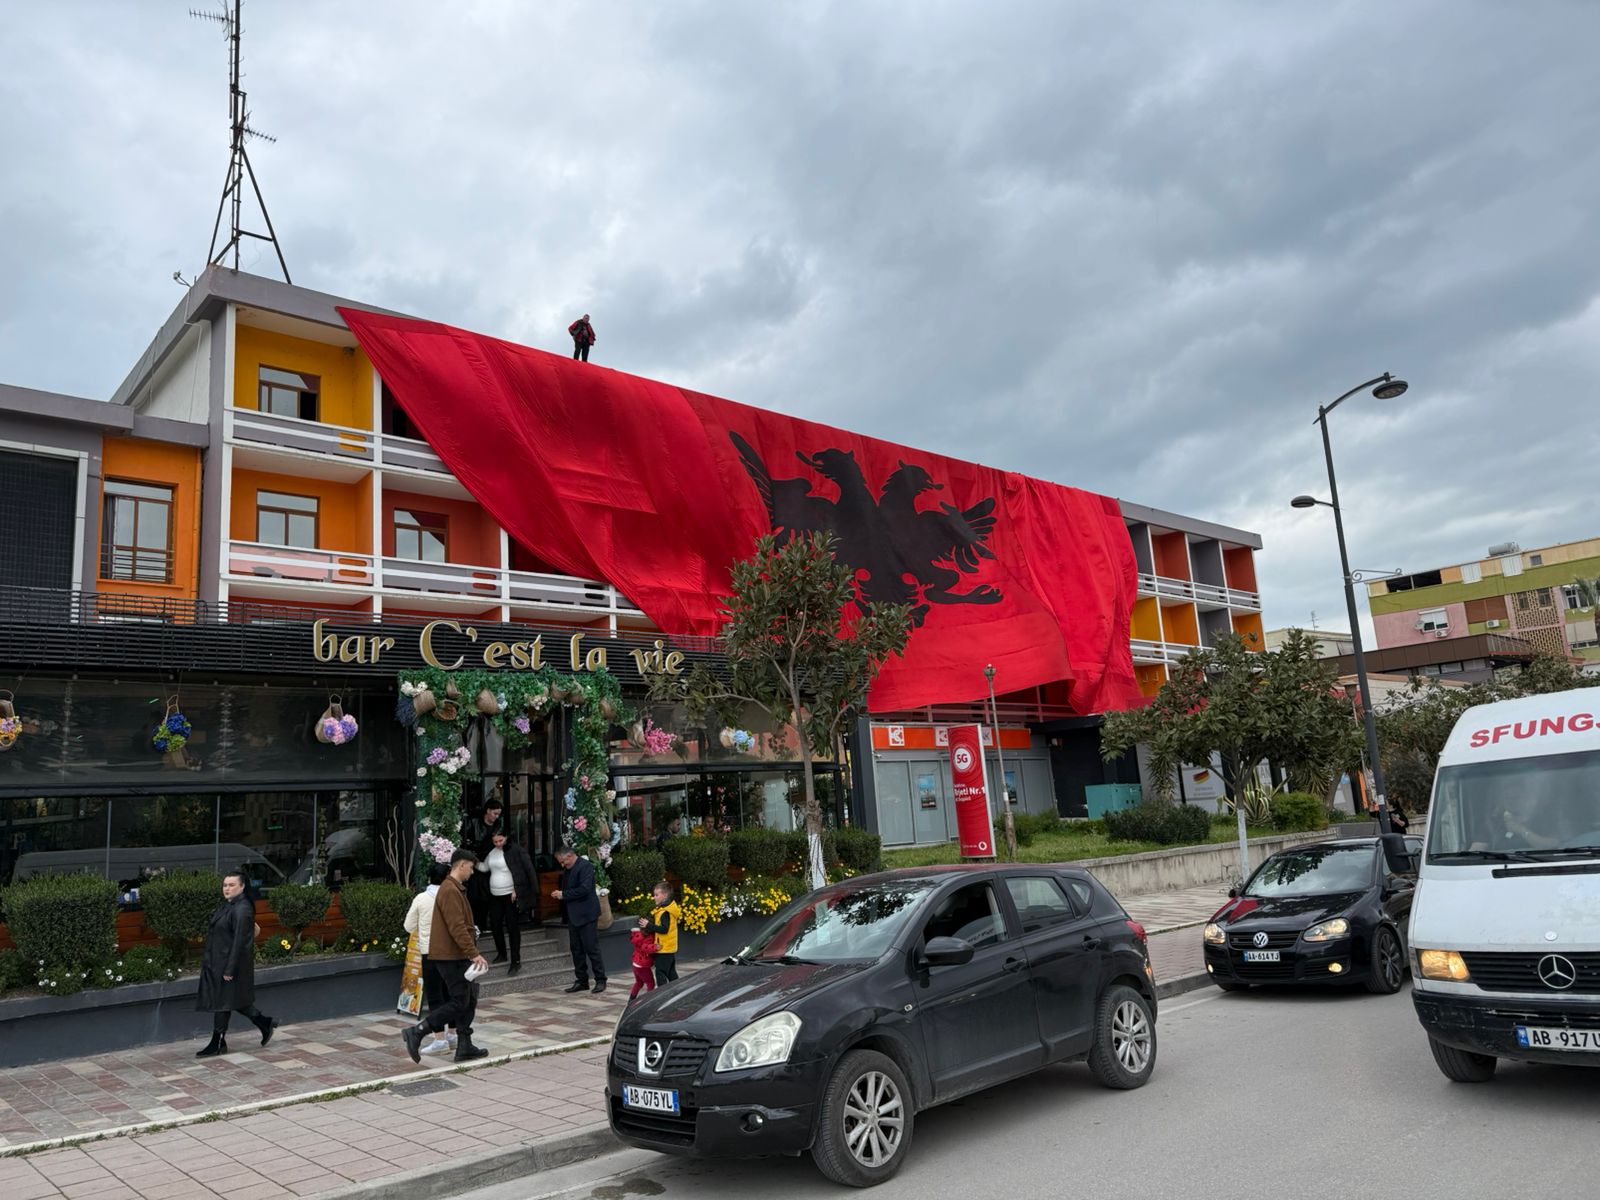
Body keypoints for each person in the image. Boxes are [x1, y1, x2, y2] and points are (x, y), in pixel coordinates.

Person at [402, 849, 489, 1063]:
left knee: (468, 1000)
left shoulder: (453, 888)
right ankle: (418, 1031)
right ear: (461, 865)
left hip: (453, 955)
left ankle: (464, 1045)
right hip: (451, 956)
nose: (471, 872)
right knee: (459, 1001)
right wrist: (474, 954)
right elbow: (456, 926)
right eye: (470, 867)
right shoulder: (449, 890)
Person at [194, 869, 276, 1058]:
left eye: (232, 885)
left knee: (223, 1003)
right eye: (225, 885)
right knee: (232, 1000)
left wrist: (229, 969)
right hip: (219, 962)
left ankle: (218, 1042)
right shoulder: (230, 905)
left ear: (242, 886)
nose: (227, 888)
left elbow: (240, 942)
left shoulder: (242, 908)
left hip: (229, 964)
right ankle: (264, 1023)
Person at [403, 862, 456, 1055]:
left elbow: (408, 926)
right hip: (450, 953)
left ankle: (440, 1040)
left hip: (429, 952)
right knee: (452, 994)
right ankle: (453, 1034)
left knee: (435, 996)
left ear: (429, 878)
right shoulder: (452, 896)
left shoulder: (421, 898)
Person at [478, 831, 538, 974]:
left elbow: (525, 871)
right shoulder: (492, 852)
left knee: (512, 928)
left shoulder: (515, 850)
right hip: (495, 895)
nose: (498, 844)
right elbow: (484, 868)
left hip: (510, 895)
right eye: (495, 841)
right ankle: (502, 953)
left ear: (506, 838)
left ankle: (515, 961)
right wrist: (471, 861)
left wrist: (518, 890)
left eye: (500, 840)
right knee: (495, 924)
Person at [552, 844, 606, 993]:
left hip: (587, 914)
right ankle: (582, 980)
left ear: (570, 856)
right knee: (576, 949)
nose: (562, 865)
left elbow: (585, 889)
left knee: (591, 948)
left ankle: (600, 980)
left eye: (563, 861)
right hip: (573, 915)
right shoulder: (568, 869)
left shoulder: (585, 866)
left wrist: (563, 894)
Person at [458, 800, 504, 928]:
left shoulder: (498, 825)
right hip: (473, 860)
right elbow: (463, 840)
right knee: (473, 894)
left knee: (486, 895)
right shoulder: (474, 822)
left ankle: (483, 923)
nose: (496, 817)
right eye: (495, 813)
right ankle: (472, 923)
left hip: (488, 861)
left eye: (498, 814)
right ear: (488, 810)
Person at [640, 879, 681, 986]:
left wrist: (649, 925)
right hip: (669, 947)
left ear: (665, 895)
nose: (654, 897)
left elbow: (664, 929)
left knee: (660, 972)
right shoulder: (666, 909)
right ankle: (677, 990)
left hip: (664, 948)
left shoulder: (665, 912)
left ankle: (661, 994)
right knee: (671, 972)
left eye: (657, 895)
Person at [629, 920, 657, 1001]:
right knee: (650, 983)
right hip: (643, 965)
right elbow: (645, 948)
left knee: (639, 983)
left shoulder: (637, 935)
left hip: (636, 964)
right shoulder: (647, 937)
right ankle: (648, 1001)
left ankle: (631, 1000)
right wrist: (655, 947)